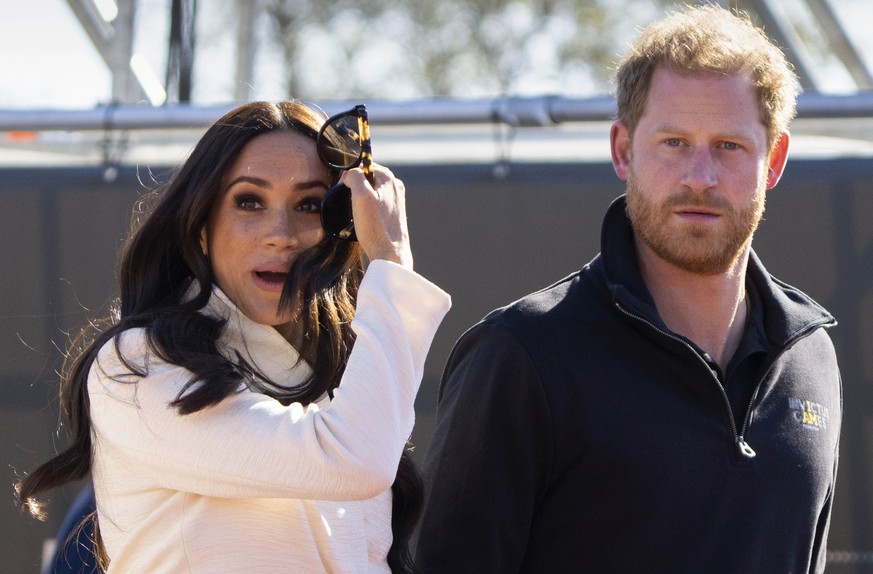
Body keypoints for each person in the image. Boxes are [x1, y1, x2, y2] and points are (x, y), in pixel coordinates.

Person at [414, 5, 841, 573]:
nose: (700, 176)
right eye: (673, 142)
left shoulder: (812, 359)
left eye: (729, 146)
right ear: (622, 149)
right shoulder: (521, 356)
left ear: (775, 160)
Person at [17, 100, 451, 573]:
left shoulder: (347, 382)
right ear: (201, 226)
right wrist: (390, 262)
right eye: (249, 201)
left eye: (308, 204)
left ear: (337, 228)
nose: (280, 234)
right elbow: (353, 460)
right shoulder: (140, 364)